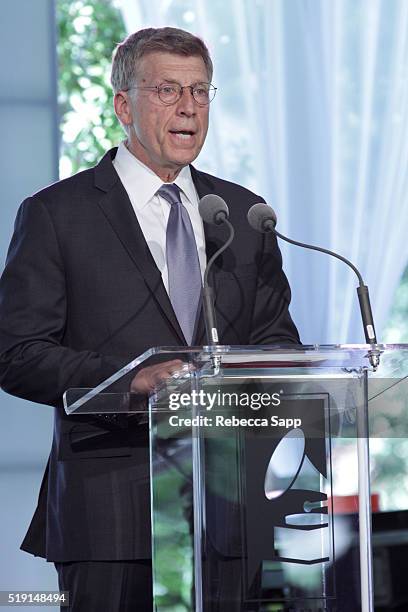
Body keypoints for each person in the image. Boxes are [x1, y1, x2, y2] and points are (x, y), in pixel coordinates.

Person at [0, 27, 299, 611]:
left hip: (226, 509)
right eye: (167, 90)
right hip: (109, 512)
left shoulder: (242, 212)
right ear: (123, 106)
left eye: (201, 91)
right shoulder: (58, 215)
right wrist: (129, 378)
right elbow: (16, 352)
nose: (189, 107)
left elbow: (277, 342)